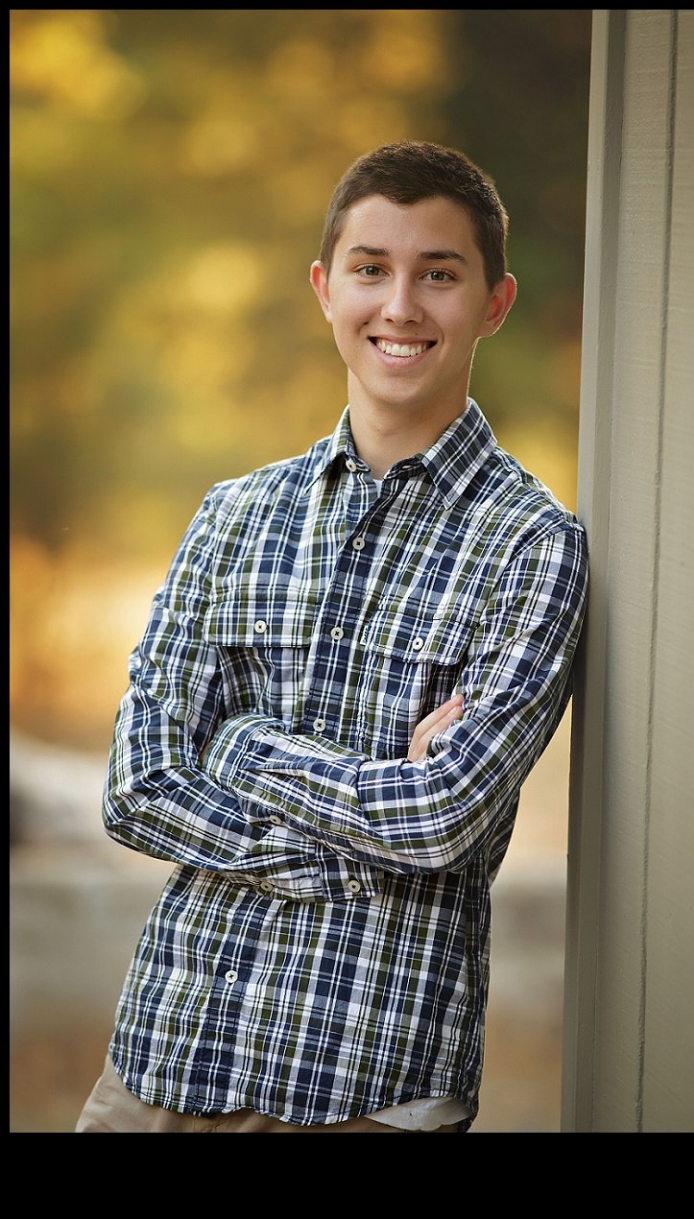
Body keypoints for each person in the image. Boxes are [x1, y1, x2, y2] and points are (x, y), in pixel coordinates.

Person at [76, 140, 588, 1133]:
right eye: (371, 269)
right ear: (324, 288)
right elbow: (136, 786)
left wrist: (238, 744)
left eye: (438, 274)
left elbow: (441, 816)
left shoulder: (534, 546)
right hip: (165, 1062)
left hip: (370, 1085)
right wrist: (332, 834)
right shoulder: (234, 515)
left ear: (494, 303)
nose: (399, 307)